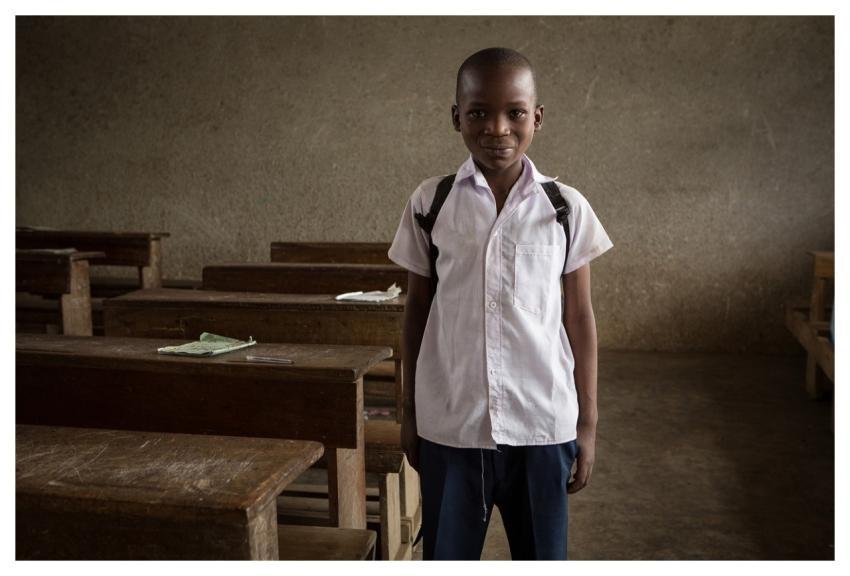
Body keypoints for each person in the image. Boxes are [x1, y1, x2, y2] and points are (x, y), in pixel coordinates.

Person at [388, 47, 613, 560]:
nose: (497, 128)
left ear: (537, 117)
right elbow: (418, 310)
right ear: (456, 117)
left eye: (514, 113)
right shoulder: (432, 202)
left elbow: (579, 319)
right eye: (478, 113)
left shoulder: (564, 206)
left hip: (542, 424)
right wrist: (409, 412)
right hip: (452, 424)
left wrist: (588, 425)